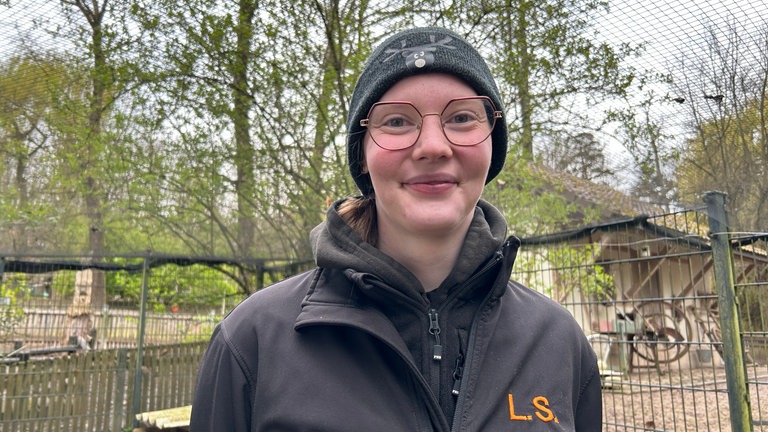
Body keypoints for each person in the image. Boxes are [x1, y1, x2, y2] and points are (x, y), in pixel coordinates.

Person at [190, 27, 602, 431]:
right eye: (398, 122)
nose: (433, 146)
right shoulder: (251, 341)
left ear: (492, 146)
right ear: (363, 155)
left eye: (461, 117)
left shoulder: (560, 343)